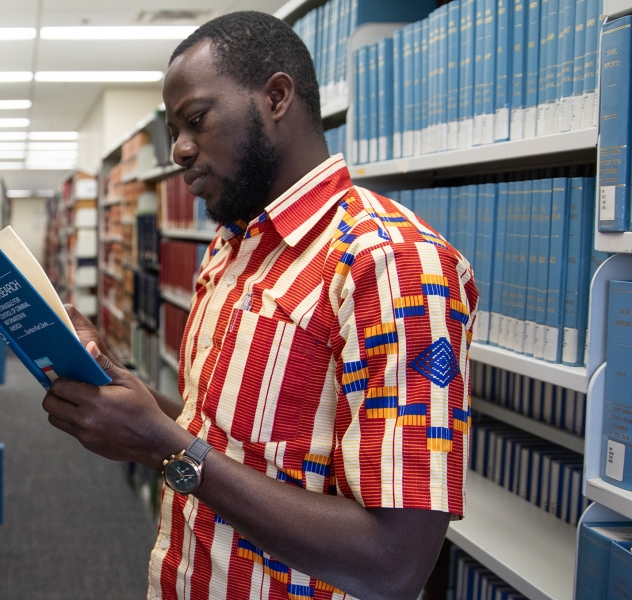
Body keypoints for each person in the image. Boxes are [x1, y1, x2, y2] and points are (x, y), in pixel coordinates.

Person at [43, 11, 477, 600]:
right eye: (174, 130)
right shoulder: (232, 248)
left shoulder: (393, 264)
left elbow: (393, 563)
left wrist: (163, 443)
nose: (179, 150)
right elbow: (224, 441)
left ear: (276, 97)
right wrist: (117, 387)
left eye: (195, 120)